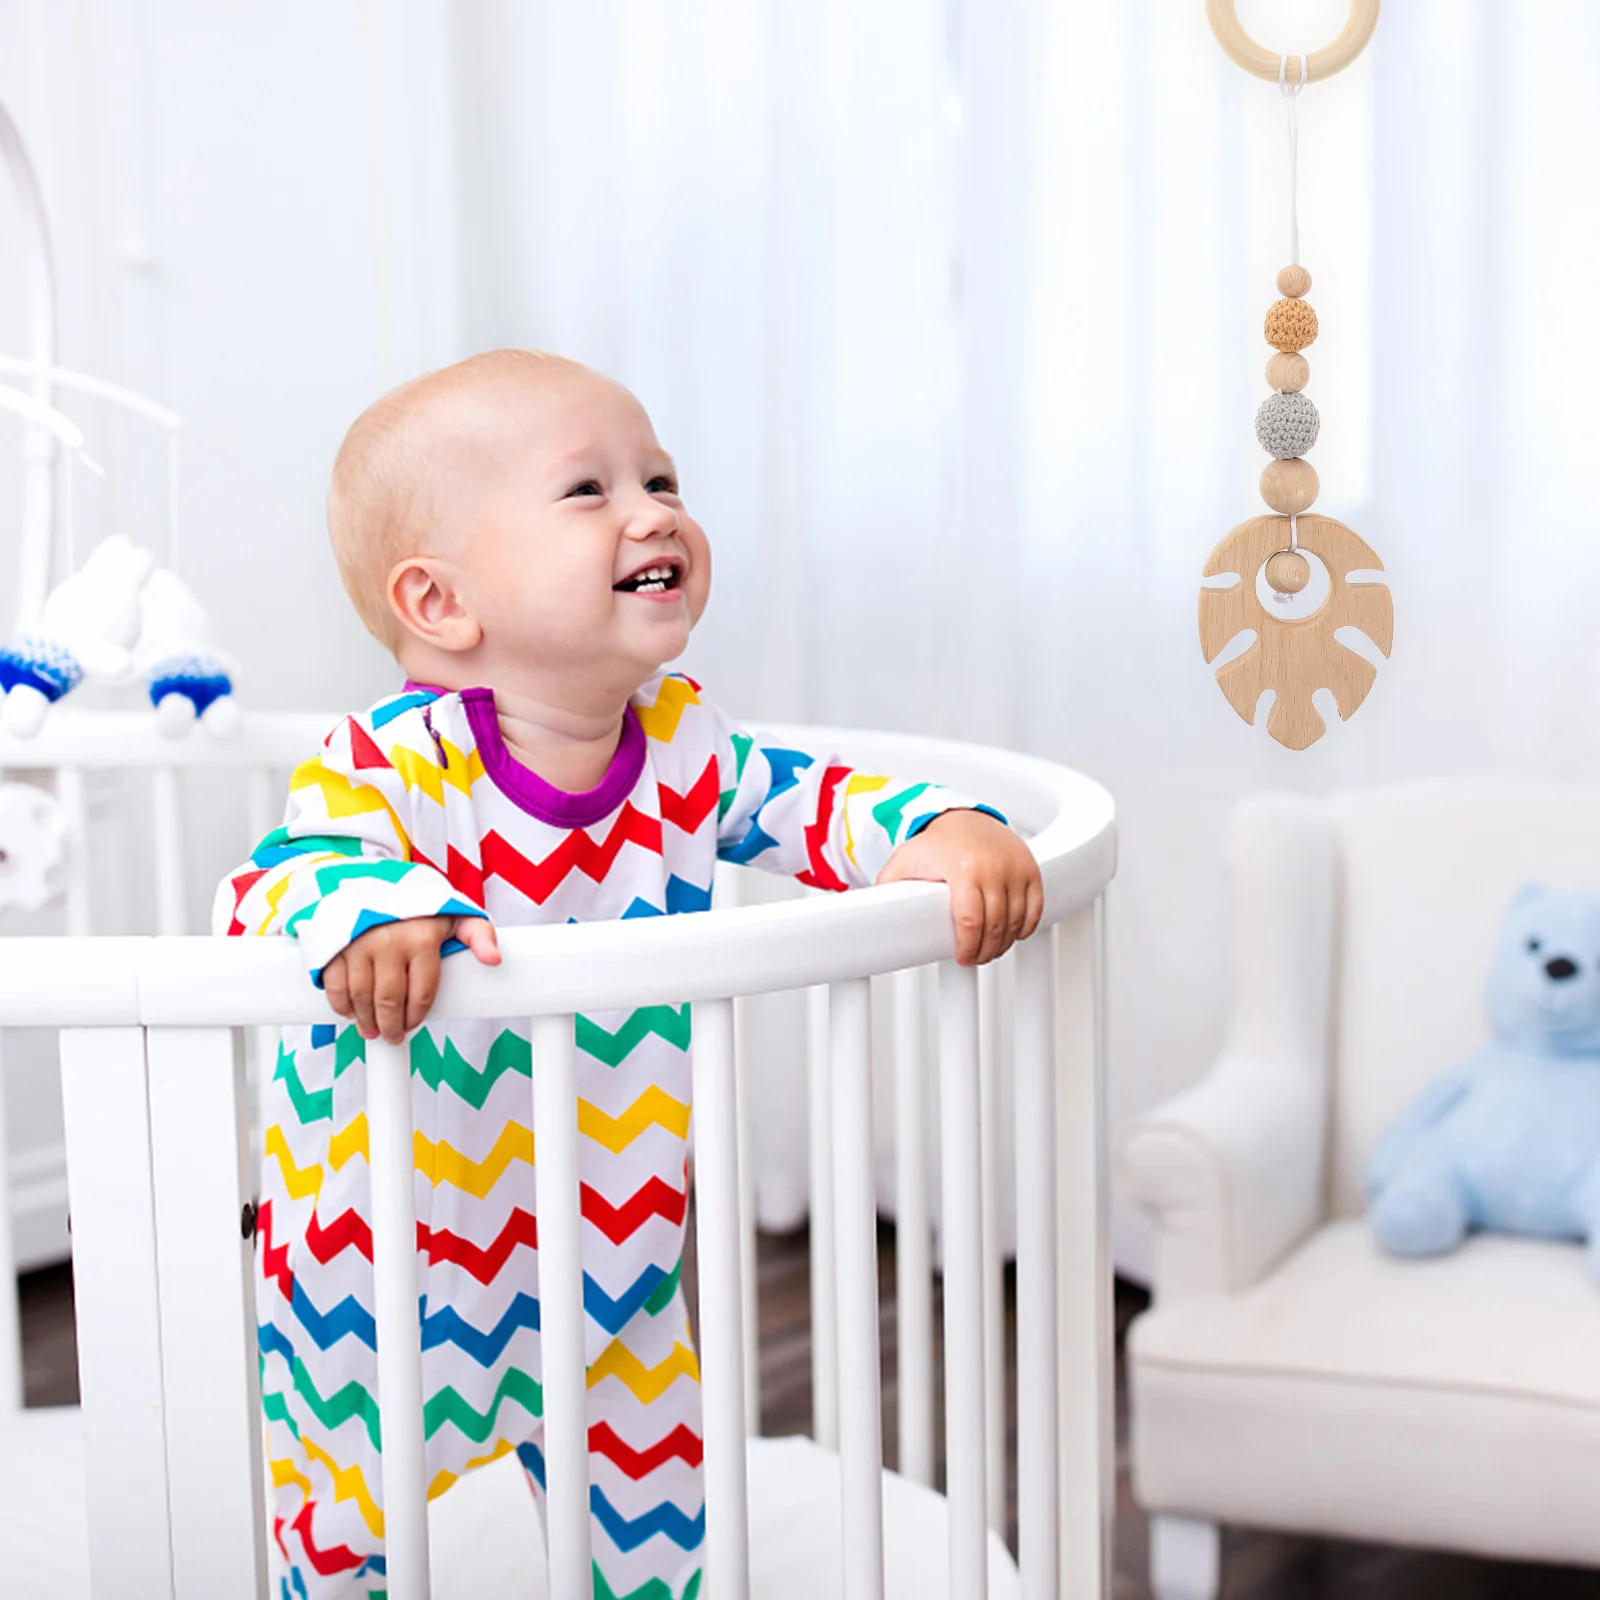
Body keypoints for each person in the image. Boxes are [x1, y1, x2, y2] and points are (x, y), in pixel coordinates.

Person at [217, 348, 1042, 1599]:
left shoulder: (683, 746)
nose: (654, 509)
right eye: (588, 491)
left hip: (613, 1254)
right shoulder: (388, 764)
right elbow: (288, 870)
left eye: (658, 476)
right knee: (345, 1535)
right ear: (439, 602)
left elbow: (812, 800)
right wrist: (377, 907)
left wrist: (933, 830)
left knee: (656, 1525)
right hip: (384, 1258)